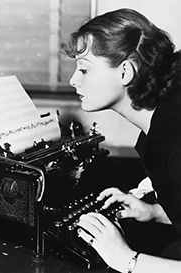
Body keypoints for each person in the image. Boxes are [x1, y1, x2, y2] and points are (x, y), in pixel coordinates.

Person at [61, 8, 181, 273]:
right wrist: (155, 212)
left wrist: (128, 259)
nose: (72, 80)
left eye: (83, 70)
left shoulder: (177, 143)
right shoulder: (161, 124)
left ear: (125, 71)